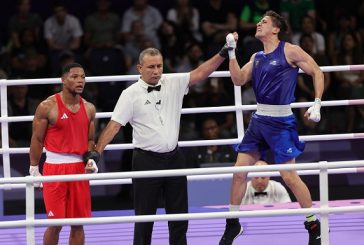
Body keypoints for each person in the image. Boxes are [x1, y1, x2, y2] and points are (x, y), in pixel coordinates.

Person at [87, 47, 228, 245]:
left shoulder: (174, 82)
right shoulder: (130, 94)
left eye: (159, 66)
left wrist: (223, 53)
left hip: (174, 158)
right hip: (146, 160)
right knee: (144, 216)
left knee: (179, 215)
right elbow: (114, 126)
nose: (156, 71)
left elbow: (202, 72)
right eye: (151, 67)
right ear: (139, 68)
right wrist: (95, 155)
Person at [219, 10, 324, 245]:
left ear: (275, 29)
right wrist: (232, 52)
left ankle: (312, 224)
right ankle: (233, 223)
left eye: (263, 22)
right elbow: (237, 80)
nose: (258, 24)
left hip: (281, 123)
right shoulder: (256, 57)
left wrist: (317, 102)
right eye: (258, 21)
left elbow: (317, 71)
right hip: (258, 121)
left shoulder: (290, 50)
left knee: (289, 177)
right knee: (238, 174)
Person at [28, 63, 98, 245]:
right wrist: (34, 168)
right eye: (74, 77)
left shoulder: (89, 108)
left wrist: (90, 159)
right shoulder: (47, 106)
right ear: (63, 80)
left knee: (78, 224)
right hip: (54, 169)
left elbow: (90, 140)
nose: (80, 80)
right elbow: (37, 139)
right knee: (55, 223)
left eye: (82, 77)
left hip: (78, 170)